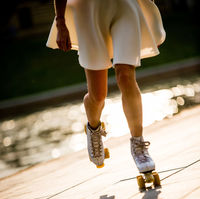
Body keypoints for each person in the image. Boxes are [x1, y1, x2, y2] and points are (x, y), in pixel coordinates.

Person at [47, 0, 166, 171]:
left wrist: (152, 21)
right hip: (87, 11)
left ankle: (139, 145)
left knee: (125, 75)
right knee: (97, 95)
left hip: (125, 6)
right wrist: (60, 22)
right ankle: (93, 128)